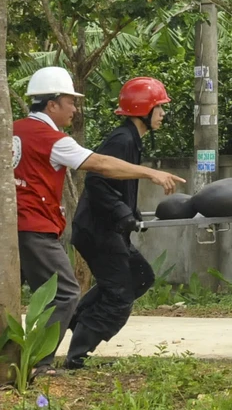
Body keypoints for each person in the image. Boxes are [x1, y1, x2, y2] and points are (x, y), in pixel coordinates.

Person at [13, 67, 185, 376]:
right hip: (37, 227)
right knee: (66, 292)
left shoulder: (12, 131)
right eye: (70, 102)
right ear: (52, 104)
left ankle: (70, 331)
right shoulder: (53, 139)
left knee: (130, 278)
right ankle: (43, 364)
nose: (75, 109)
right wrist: (151, 174)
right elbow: (99, 168)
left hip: (16, 227)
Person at [63, 78, 174, 370]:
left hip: (107, 229)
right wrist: (123, 215)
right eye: (159, 107)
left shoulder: (130, 139)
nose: (163, 114)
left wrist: (131, 213)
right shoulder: (122, 140)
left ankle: (77, 319)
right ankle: (77, 355)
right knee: (120, 294)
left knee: (140, 276)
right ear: (143, 109)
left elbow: (118, 186)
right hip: (97, 232)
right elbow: (98, 181)